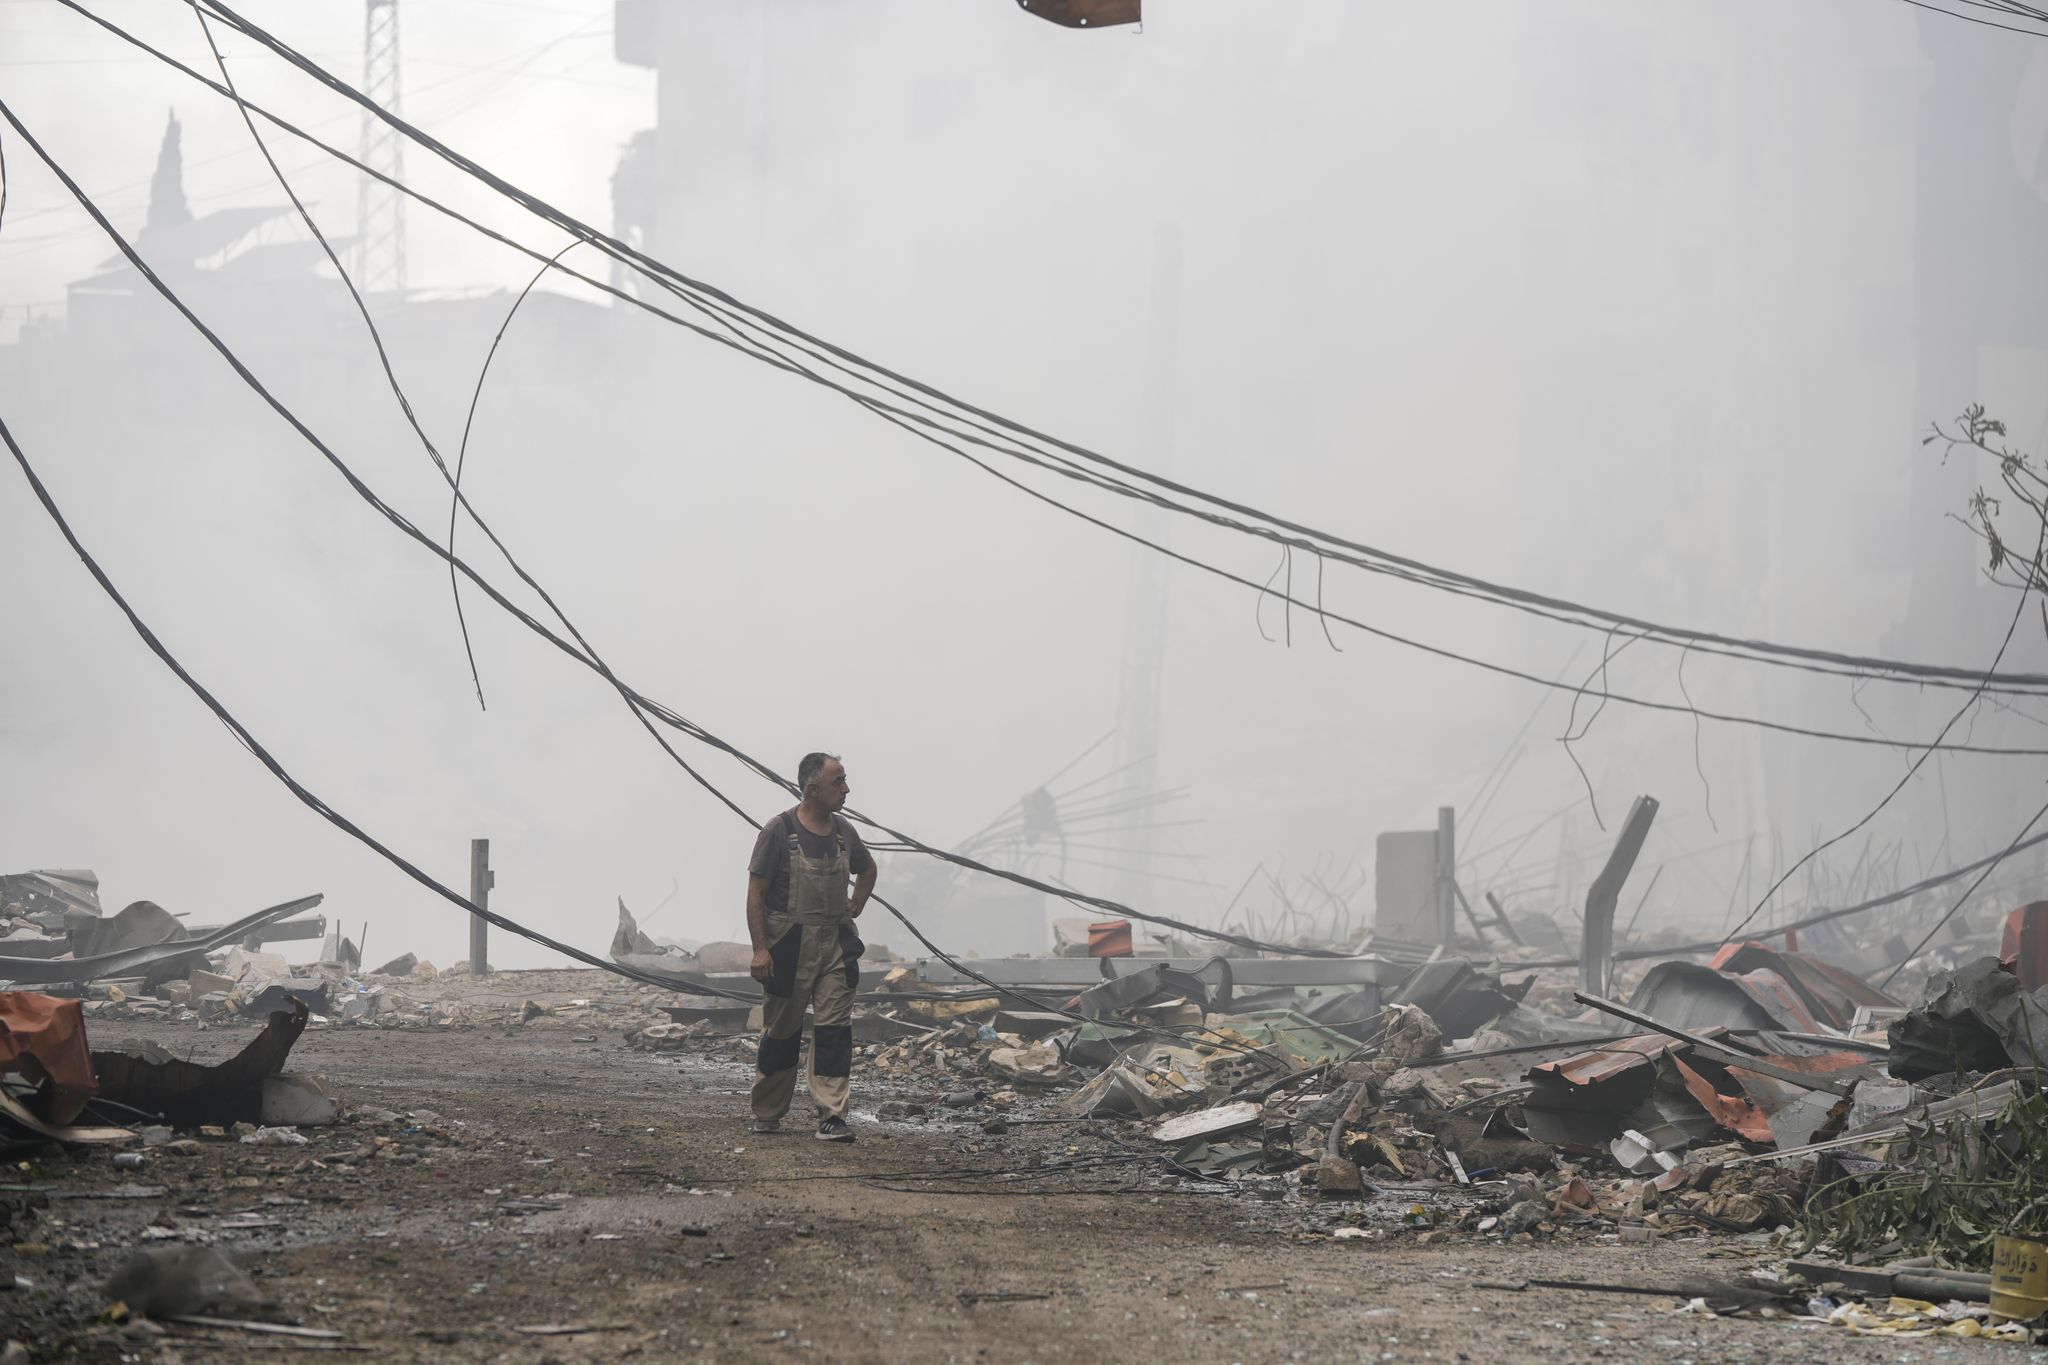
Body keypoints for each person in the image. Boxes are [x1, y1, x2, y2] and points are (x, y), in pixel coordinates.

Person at [745, 752, 877, 1141]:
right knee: (782, 1031)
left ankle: (833, 1116)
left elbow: (867, 868)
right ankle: (768, 1112)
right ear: (812, 788)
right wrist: (760, 950)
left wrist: (858, 903)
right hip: (789, 946)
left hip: (835, 944)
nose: (846, 789)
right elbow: (756, 895)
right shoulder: (778, 831)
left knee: (835, 1030)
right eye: (838, 782)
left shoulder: (843, 832)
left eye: (845, 780)